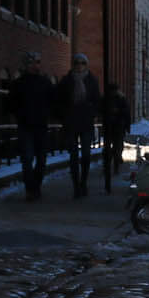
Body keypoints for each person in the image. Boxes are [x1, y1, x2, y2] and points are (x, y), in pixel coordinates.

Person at [10, 51, 55, 201]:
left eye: (38, 62)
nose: (36, 65)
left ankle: (36, 186)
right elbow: (11, 103)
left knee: (41, 160)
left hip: (41, 126)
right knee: (27, 159)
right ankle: (30, 189)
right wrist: (20, 115)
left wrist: (48, 114)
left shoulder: (45, 82)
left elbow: (52, 101)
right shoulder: (18, 84)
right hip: (26, 126)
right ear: (26, 64)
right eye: (33, 62)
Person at [57, 53, 101, 199]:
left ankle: (83, 182)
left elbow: (97, 100)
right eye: (77, 62)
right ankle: (76, 185)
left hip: (86, 122)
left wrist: (92, 111)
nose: (79, 65)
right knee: (74, 156)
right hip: (71, 122)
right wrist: (64, 115)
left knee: (87, 155)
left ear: (86, 65)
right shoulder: (67, 81)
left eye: (82, 63)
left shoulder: (92, 81)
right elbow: (60, 100)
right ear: (73, 64)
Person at [99, 80, 131, 193]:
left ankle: (113, 164)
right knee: (112, 147)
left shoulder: (120, 99)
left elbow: (126, 112)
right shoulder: (108, 99)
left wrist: (126, 124)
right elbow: (127, 113)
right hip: (113, 127)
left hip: (117, 126)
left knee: (115, 147)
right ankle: (111, 164)